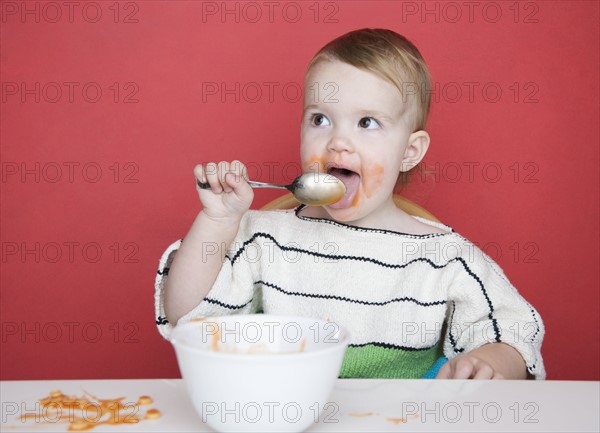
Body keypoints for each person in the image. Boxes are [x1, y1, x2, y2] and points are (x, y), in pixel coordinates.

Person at [155, 28, 545, 379]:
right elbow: (187, 315)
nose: (337, 142)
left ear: (409, 152)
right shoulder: (266, 238)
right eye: (320, 119)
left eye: (367, 123)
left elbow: (513, 330)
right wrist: (217, 220)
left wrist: (491, 361)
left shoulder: (443, 257)